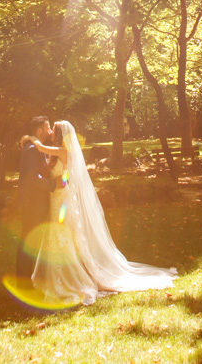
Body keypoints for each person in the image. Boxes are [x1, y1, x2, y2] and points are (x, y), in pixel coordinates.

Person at [27, 119, 177, 306]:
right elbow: (62, 174)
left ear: (59, 134)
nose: (50, 132)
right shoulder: (57, 152)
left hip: (62, 200)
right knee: (58, 236)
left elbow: (47, 156)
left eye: (53, 130)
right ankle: (58, 274)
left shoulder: (63, 151)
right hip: (55, 199)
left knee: (63, 236)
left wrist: (29, 137)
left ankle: (70, 276)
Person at [16, 116, 64, 288]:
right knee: (28, 241)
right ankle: (23, 282)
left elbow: (64, 176)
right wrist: (53, 184)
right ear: (39, 131)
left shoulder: (40, 148)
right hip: (33, 203)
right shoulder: (32, 149)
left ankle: (29, 279)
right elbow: (32, 177)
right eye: (47, 127)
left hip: (42, 202)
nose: (50, 130)